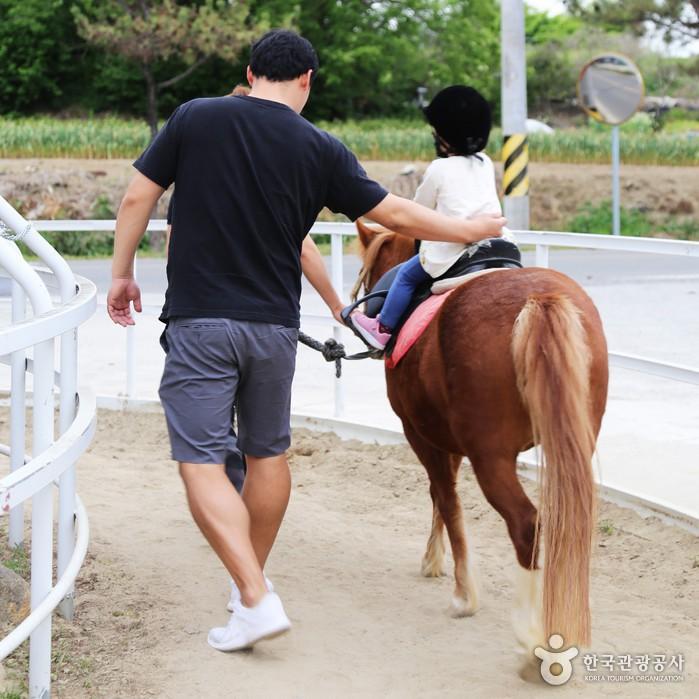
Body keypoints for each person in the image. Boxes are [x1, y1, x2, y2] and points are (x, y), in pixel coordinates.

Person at [107, 30, 505, 653]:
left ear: (249, 70)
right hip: (273, 331)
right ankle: (247, 597)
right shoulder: (320, 147)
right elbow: (392, 215)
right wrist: (470, 226)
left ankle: (256, 596)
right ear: (308, 80)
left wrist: (122, 272)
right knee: (267, 456)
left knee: (200, 460)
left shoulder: (195, 117)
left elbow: (138, 194)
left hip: (202, 324)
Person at [348, 85, 509, 350]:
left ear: (444, 137)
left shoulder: (439, 168)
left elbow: (418, 213)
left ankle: (382, 328)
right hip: (497, 245)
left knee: (407, 276)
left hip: (455, 249)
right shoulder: (486, 162)